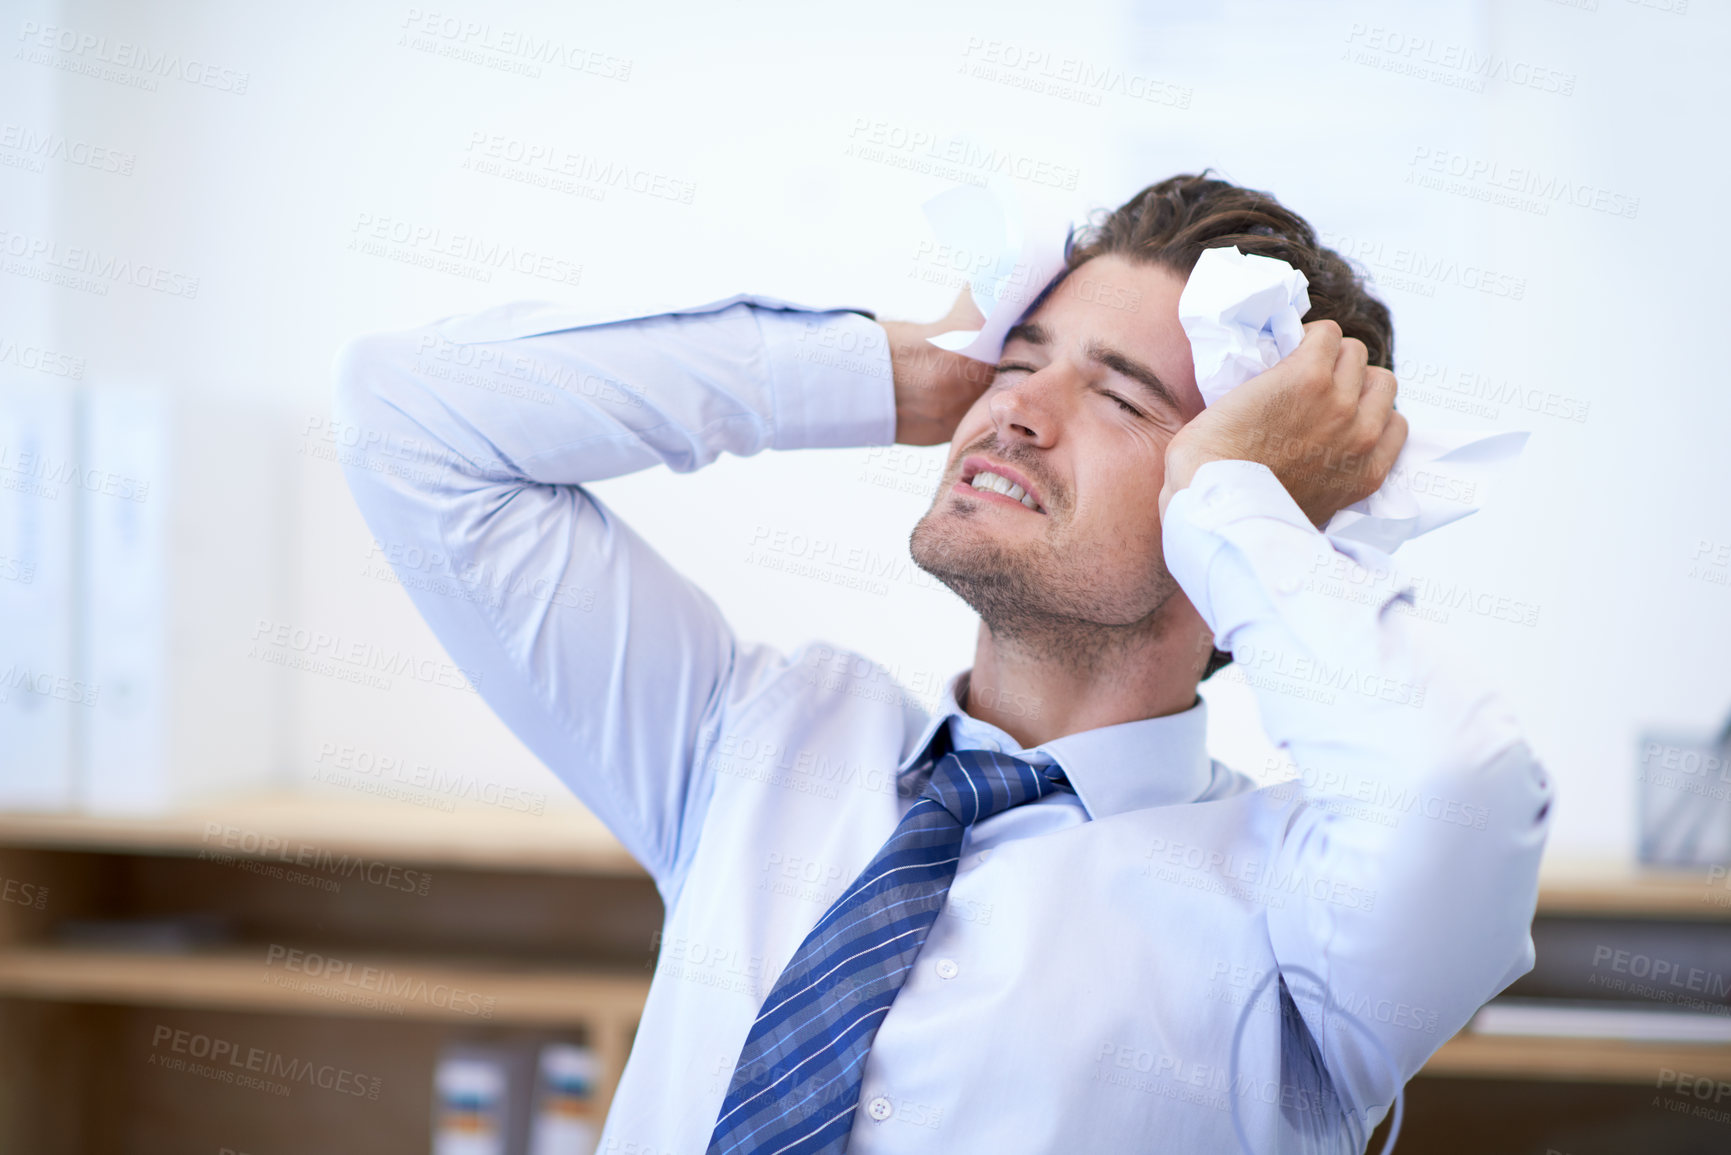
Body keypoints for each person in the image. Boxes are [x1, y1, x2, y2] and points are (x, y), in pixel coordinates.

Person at [332, 172, 1553, 1154]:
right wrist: (877, 372)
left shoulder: (1298, 916)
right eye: (1018, 362)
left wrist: (1245, 506)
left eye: (1123, 400)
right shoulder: (754, 736)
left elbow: (1458, 793)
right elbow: (415, 419)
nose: (1012, 411)